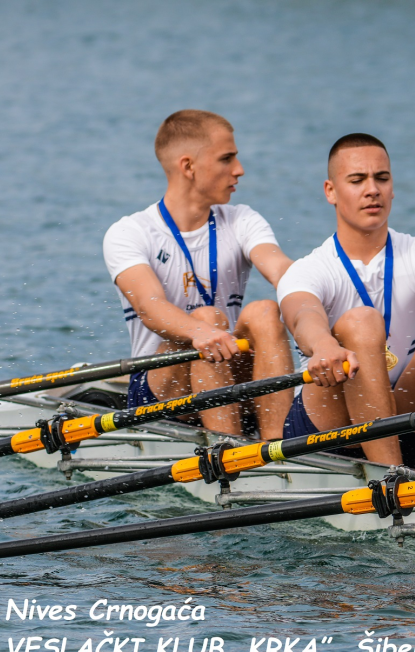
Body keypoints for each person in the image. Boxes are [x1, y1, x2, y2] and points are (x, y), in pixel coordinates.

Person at [276, 133, 415, 473]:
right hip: (328, 430)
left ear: (392, 187)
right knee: (361, 322)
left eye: (382, 178)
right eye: (357, 180)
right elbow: (302, 315)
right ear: (330, 191)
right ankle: (394, 480)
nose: (372, 189)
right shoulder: (310, 269)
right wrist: (324, 344)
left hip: (403, 418)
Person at [103, 109, 295, 439]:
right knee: (209, 318)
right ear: (188, 166)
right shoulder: (130, 232)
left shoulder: (241, 219)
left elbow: (281, 270)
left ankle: (277, 447)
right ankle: (228, 448)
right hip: (159, 391)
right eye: (227, 159)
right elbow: (150, 307)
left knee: (264, 311)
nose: (239, 170)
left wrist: (325, 306)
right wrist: (198, 331)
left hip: (224, 374)